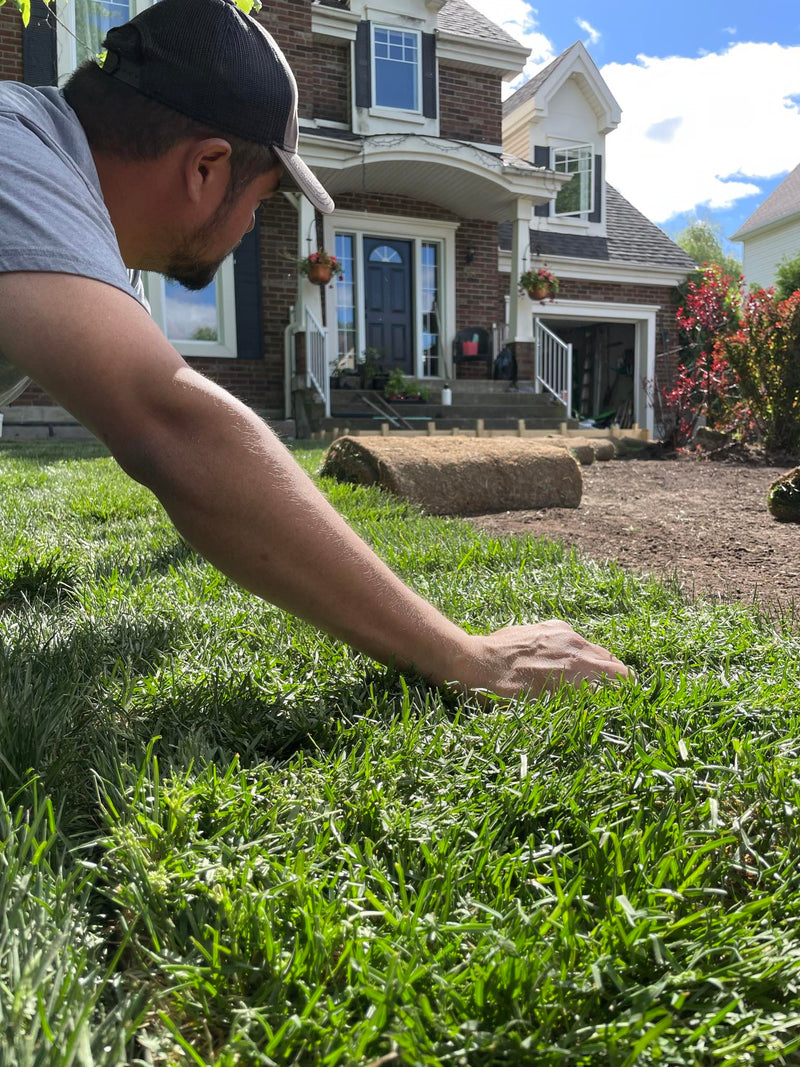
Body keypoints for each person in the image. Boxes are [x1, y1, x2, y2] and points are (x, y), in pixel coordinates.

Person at [0, 0, 628, 698]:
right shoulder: (12, 156)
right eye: (265, 201)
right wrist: (468, 657)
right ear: (206, 168)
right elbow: (169, 420)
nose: (250, 226)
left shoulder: (42, 174)